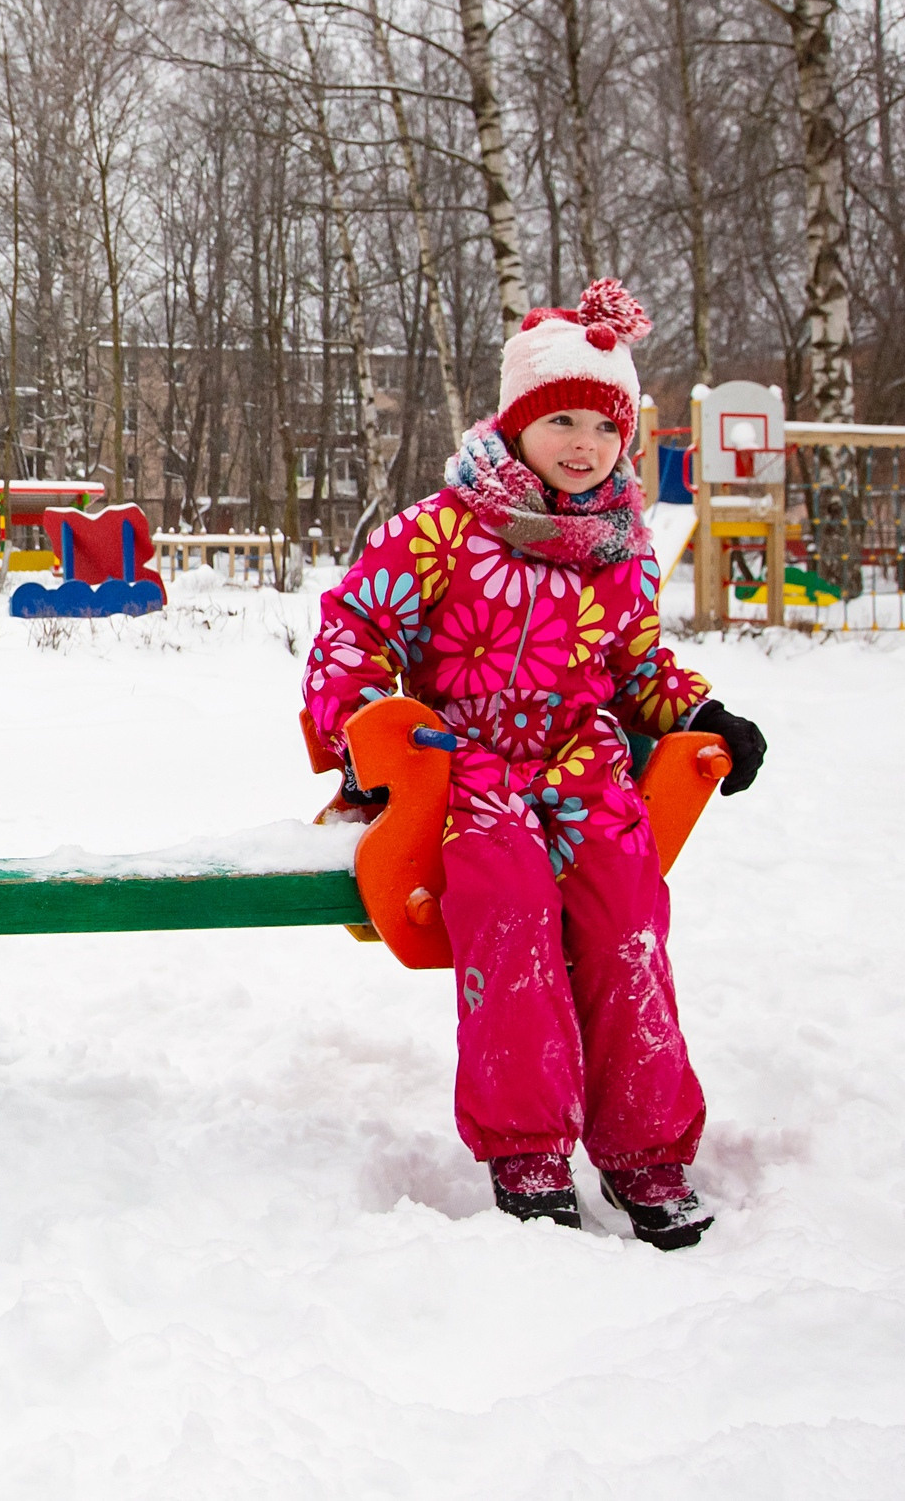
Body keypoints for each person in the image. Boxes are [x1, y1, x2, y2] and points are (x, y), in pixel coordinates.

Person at [303, 280, 767, 1249]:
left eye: (604, 426)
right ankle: (529, 1153)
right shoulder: (444, 528)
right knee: (508, 913)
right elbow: (354, 617)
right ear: (515, 424)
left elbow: (634, 662)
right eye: (559, 419)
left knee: (626, 921)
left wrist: (700, 710)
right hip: (469, 766)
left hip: (579, 768)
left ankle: (648, 1156)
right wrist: (361, 732)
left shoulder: (621, 549)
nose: (582, 445)